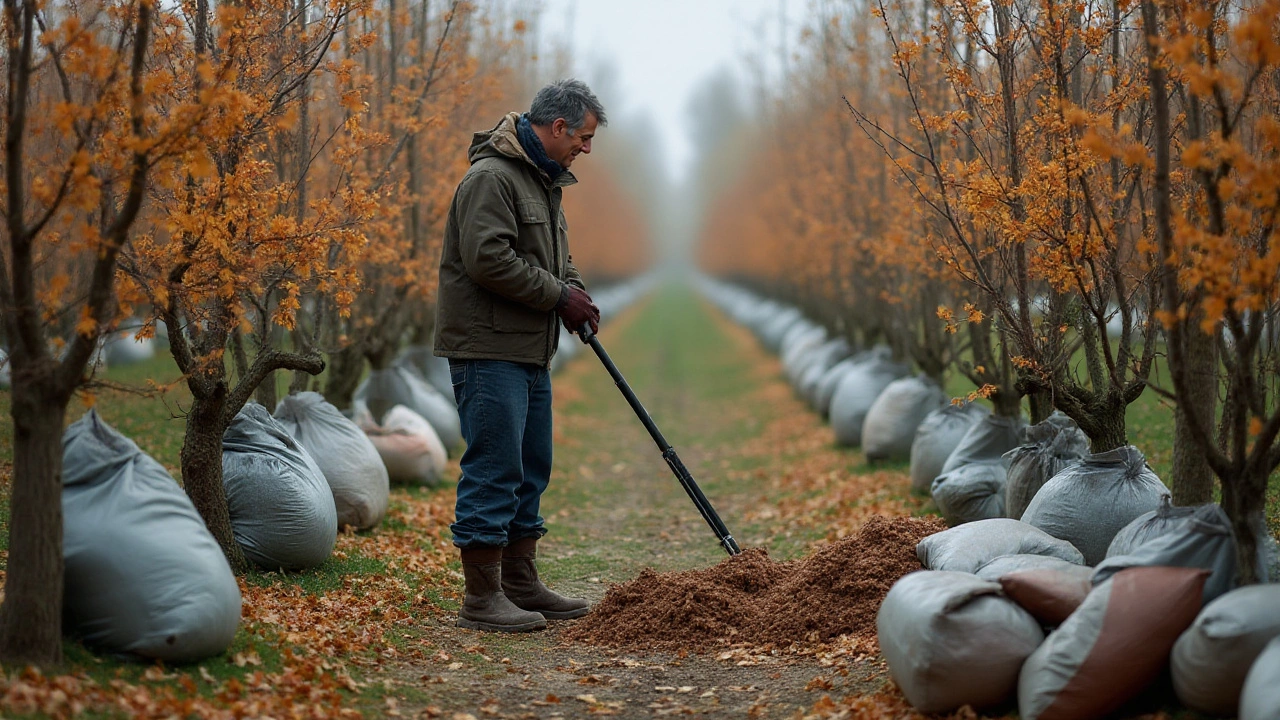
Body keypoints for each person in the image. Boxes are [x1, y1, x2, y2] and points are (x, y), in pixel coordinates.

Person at [434, 79, 605, 633]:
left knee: (532, 466)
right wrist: (559, 296)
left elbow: (560, 258)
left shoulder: (542, 182)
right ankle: (482, 597)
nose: (585, 148)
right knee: (495, 467)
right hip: (488, 349)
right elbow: (487, 259)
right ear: (557, 128)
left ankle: (521, 582)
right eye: (582, 137)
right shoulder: (492, 177)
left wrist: (575, 293)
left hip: (529, 350)